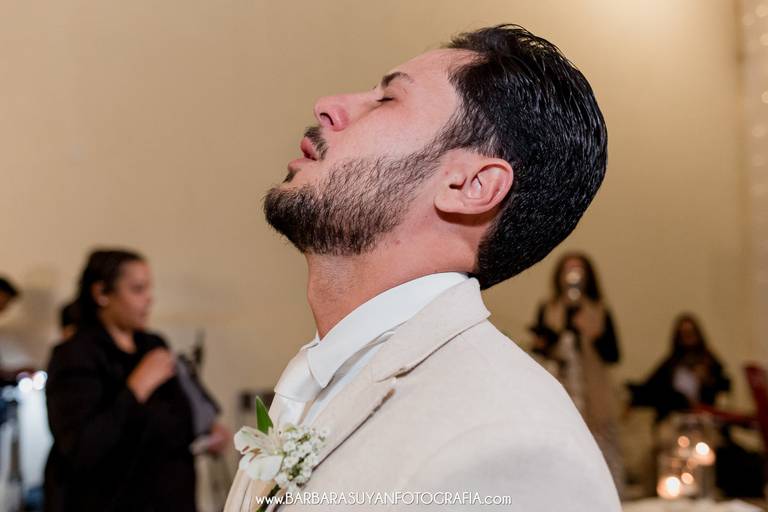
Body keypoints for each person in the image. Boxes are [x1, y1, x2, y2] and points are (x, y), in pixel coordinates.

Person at [226, 24, 619, 511]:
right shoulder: (331, 375)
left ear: (470, 186)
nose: (327, 106)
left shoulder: (511, 443)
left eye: (387, 99)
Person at [44, 249, 226, 512]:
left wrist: (207, 430)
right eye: (138, 289)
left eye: (149, 288)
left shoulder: (153, 344)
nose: (149, 298)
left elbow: (174, 414)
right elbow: (82, 448)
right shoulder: (75, 354)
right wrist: (138, 386)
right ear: (102, 293)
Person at [529, 251, 624, 495]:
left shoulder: (599, 310)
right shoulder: (548, 308)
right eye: (568, 269)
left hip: (593, 389)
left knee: (600, 444)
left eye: (578, 269)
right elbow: (539, 351)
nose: (573, 275)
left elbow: (614, 355)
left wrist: (594, 334)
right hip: (560, 384)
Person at [629, 313, 730, 422]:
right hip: (675, 418)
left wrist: (708, 379)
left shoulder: (709, 361)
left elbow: (724, 387)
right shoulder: (671, 363)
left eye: (690, 333)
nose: (688, 337)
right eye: (684, 334)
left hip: (703, 418)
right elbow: (650, 388)